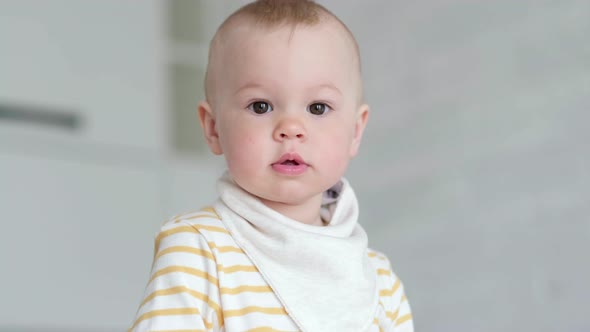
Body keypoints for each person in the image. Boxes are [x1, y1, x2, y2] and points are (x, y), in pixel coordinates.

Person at [129, 1, 413, 331]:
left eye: (318, 108)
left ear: (355, 130)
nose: (290, 127)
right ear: (213, 127)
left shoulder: (379, 280)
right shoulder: (199, 249)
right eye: (260, 106)